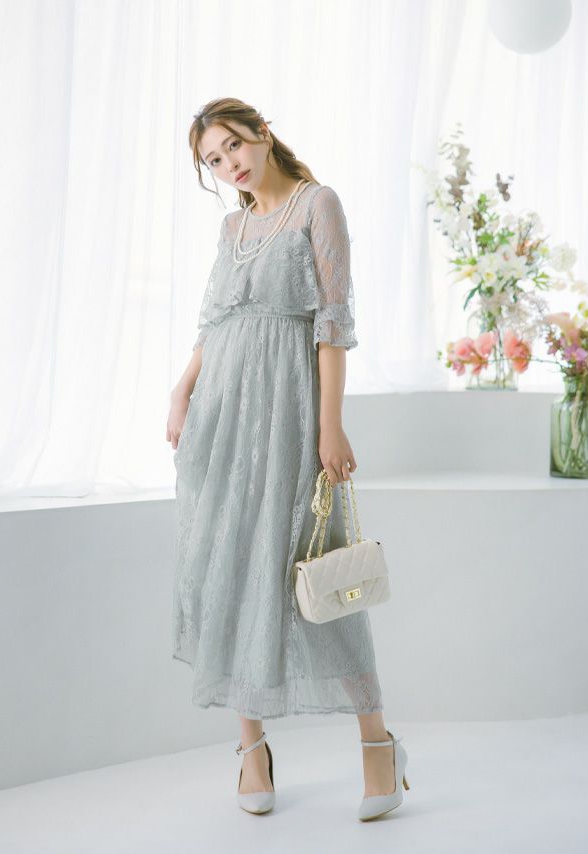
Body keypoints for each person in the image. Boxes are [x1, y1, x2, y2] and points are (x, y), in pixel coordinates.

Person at [166, 97, 409, 820]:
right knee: (231, 572)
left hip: (291, 417)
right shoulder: (232, 227)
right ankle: (251, 750)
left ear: (263, 134)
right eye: (213, 160)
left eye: (234, 146)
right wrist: (182, 390)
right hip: (223, 424)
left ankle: (378, 746)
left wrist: (331, 427)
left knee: (320, 575)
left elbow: (332, 324)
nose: (229, 165)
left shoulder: (316, 205)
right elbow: (215, 324)